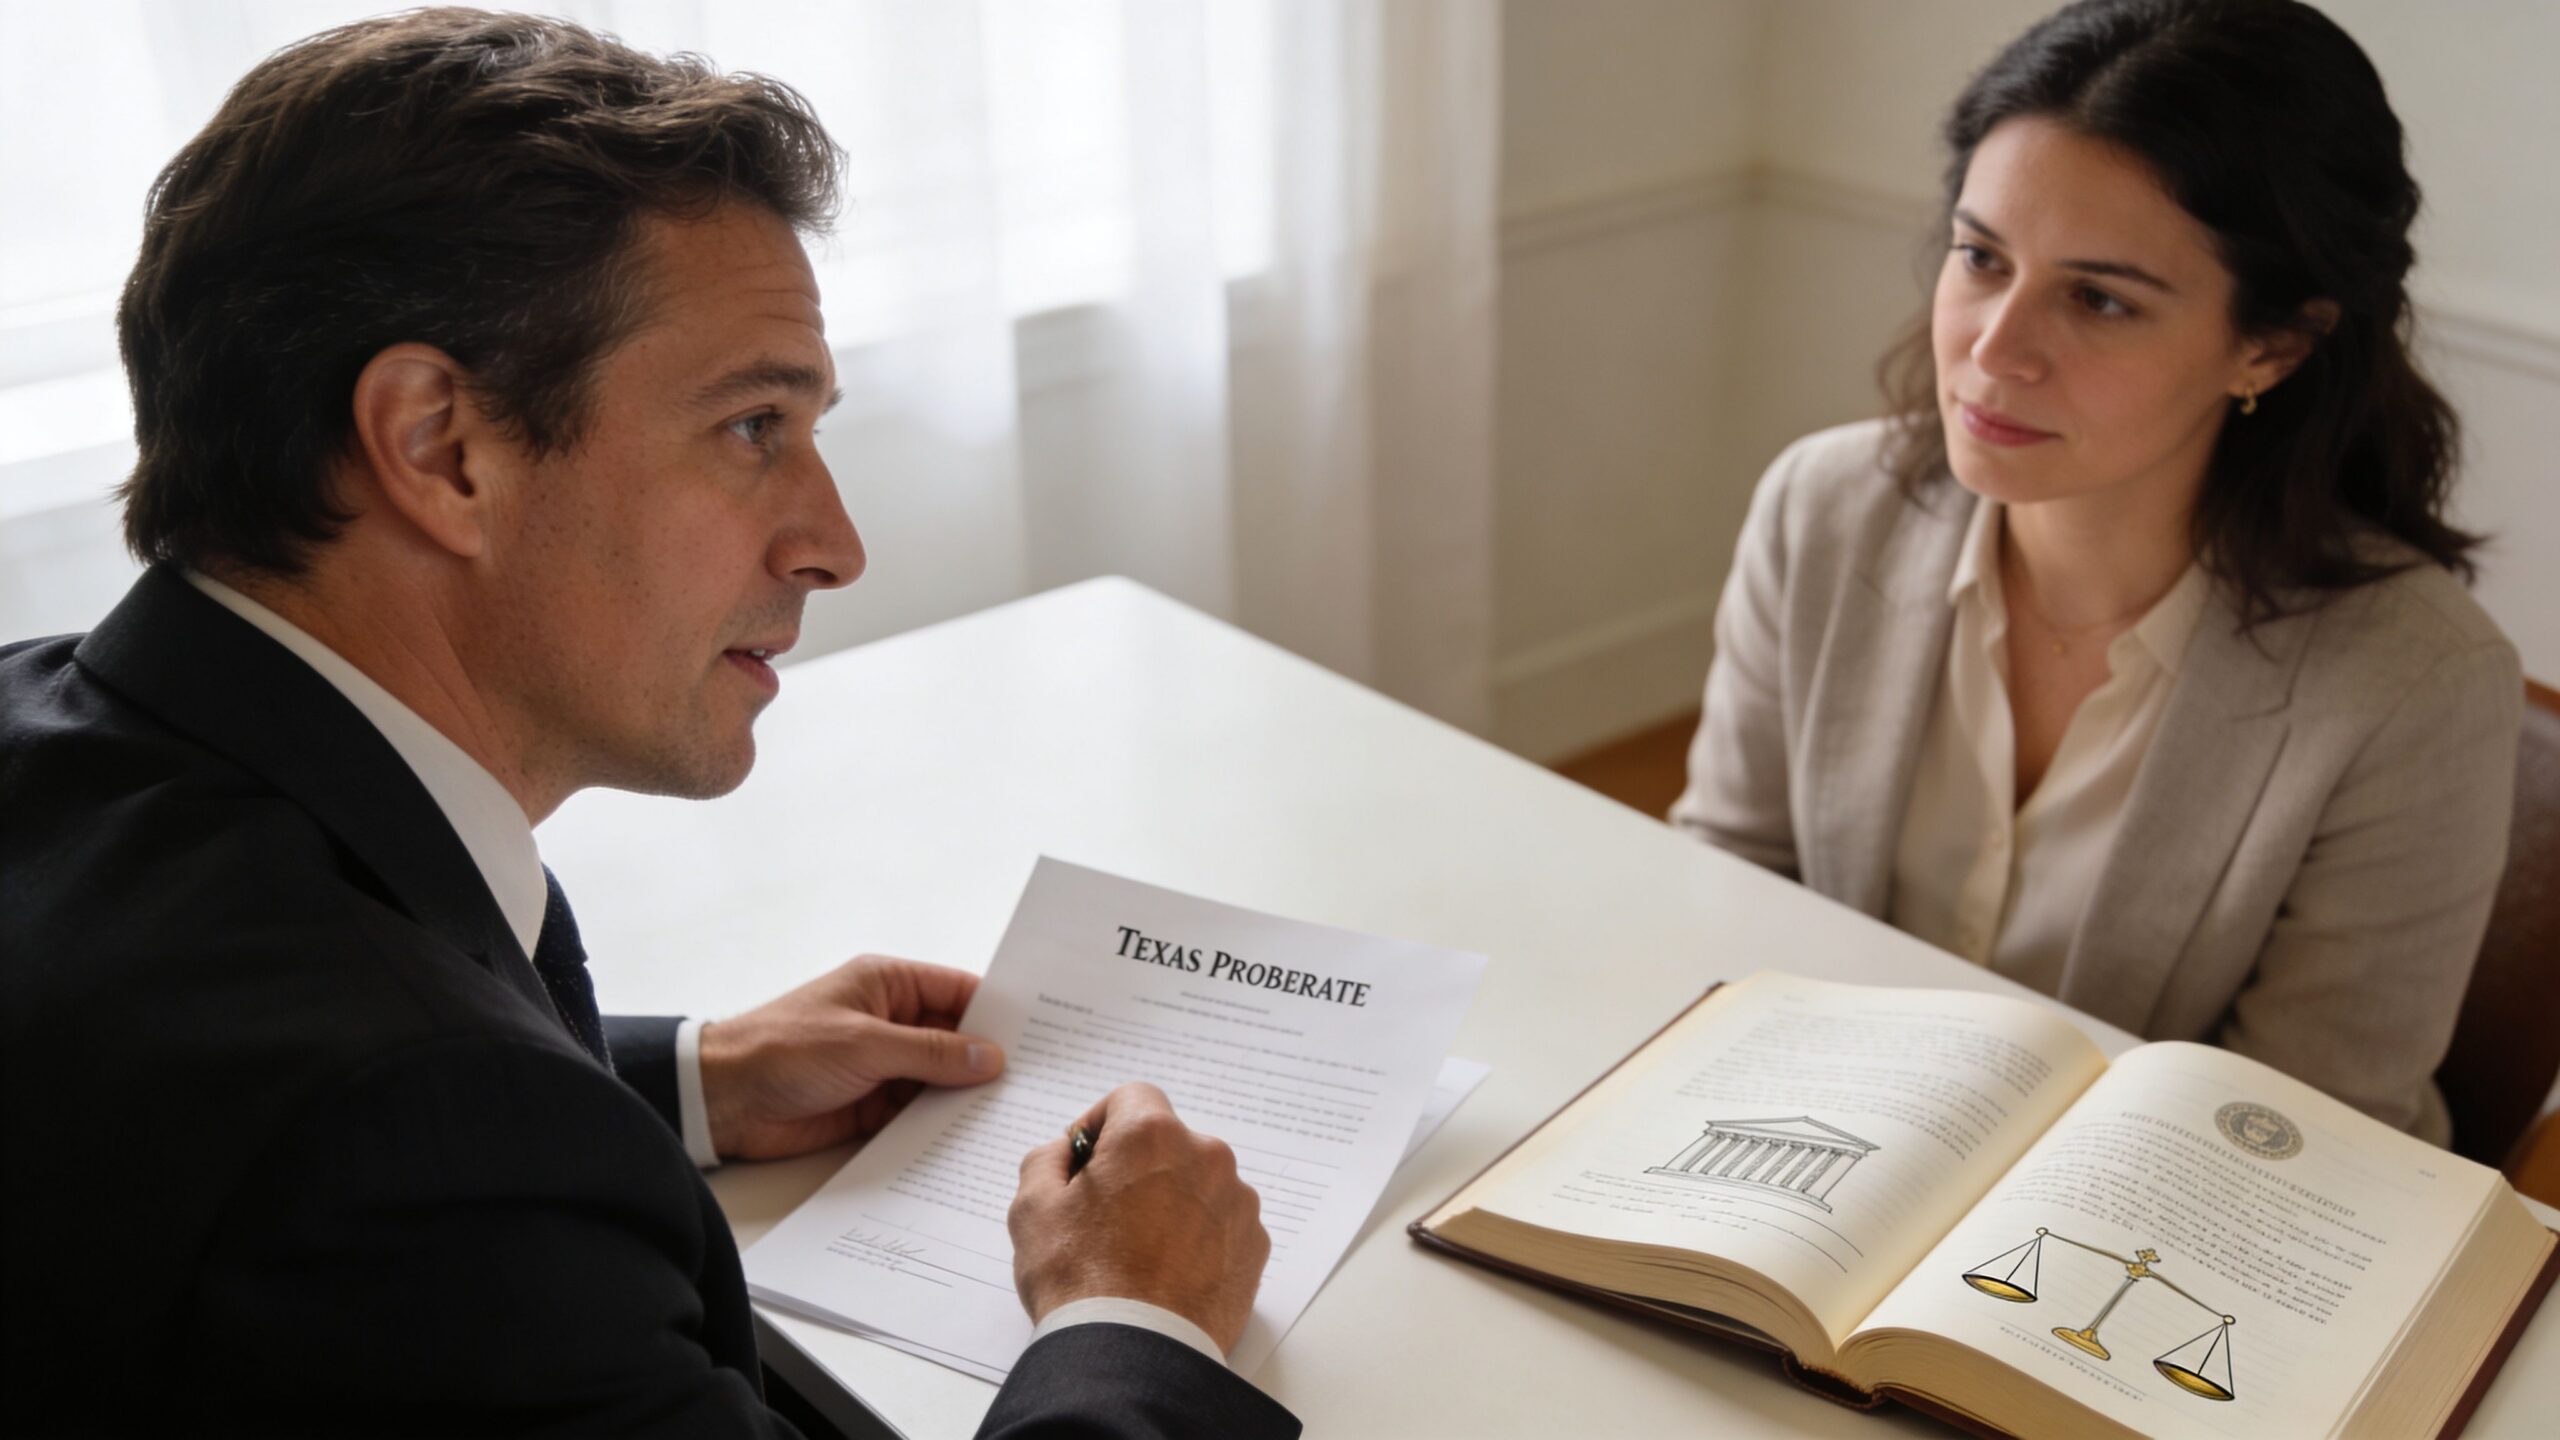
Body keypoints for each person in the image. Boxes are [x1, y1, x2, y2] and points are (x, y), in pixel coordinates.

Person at [0, 10, 1293, 1437]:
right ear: (442, 449)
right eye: (753, 427)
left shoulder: (55, 729)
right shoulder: (413, 1160)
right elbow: (370, 1130)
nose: (834, 542)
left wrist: (684, 1080)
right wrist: (1133, 1317)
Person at [1670, 0, 2521, 1146]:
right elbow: (1725, 888)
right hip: (1806, 1154)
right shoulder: (1823, 511)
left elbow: (2301, 1134)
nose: (1993, 348)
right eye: (1980, 258)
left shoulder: (2416, 681)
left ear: (2268, 345)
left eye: (2100, 298)